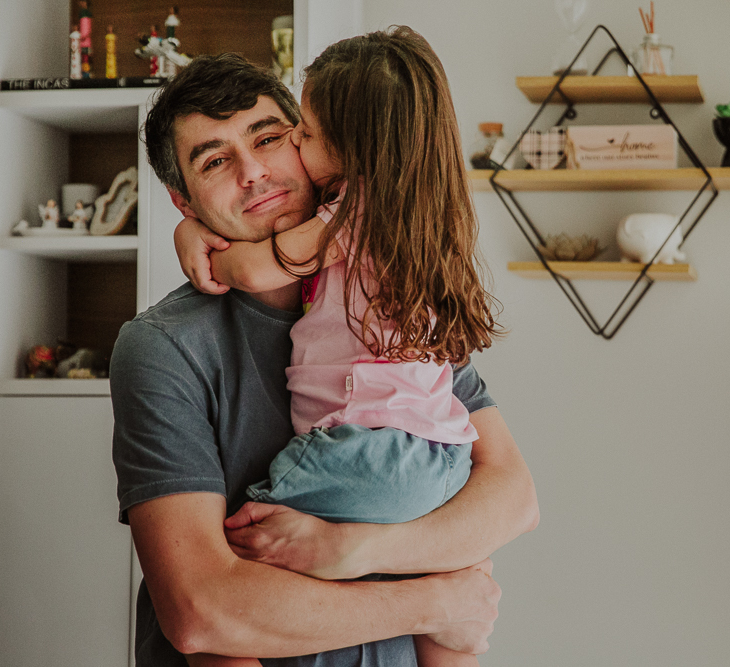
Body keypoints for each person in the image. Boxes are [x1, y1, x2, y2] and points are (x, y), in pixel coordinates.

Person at [111, 49, 538, 667]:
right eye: (215, 161)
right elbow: (203, 611)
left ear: (317, 144)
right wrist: (439, 602)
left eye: (272, 138)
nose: (254, 172)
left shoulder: (392, 295)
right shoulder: (162, 348)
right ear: (184, 202)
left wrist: (354, 550)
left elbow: (512, 498)